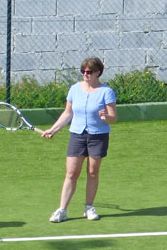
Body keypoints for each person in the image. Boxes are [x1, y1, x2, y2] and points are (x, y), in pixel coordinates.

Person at [41, 57, 118, 223]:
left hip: (98, 136)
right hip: (77, 135)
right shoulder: (75, 89)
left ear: (98, 72)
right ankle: (62, 210)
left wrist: (106, 117)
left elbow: (113, 118)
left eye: (89, 72)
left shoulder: (106, 92)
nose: (85, 74)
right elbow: (68, 113)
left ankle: (89, 207)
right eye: (83, 71)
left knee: (92, 172)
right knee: (71, 173)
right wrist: (53, 129)